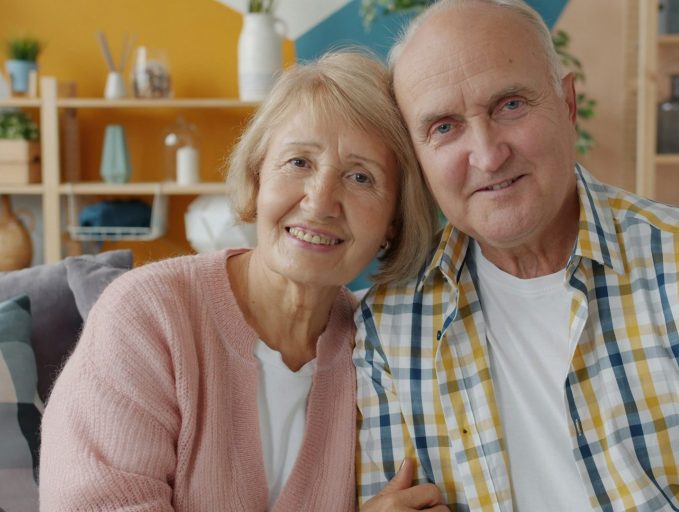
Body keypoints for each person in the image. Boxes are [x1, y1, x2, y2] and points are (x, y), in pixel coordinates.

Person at [354, 0, 679, 510]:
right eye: (444, 127)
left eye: (509, 105)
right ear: (418, 160)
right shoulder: (387, 323)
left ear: (568, 104)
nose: (488, 155)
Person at [39, 49, 444, 511]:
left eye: (359, 176)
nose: (320, 202)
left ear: (394, 220)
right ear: (256, 179)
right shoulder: (146, 313)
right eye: (299, 163)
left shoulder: (380, 350)